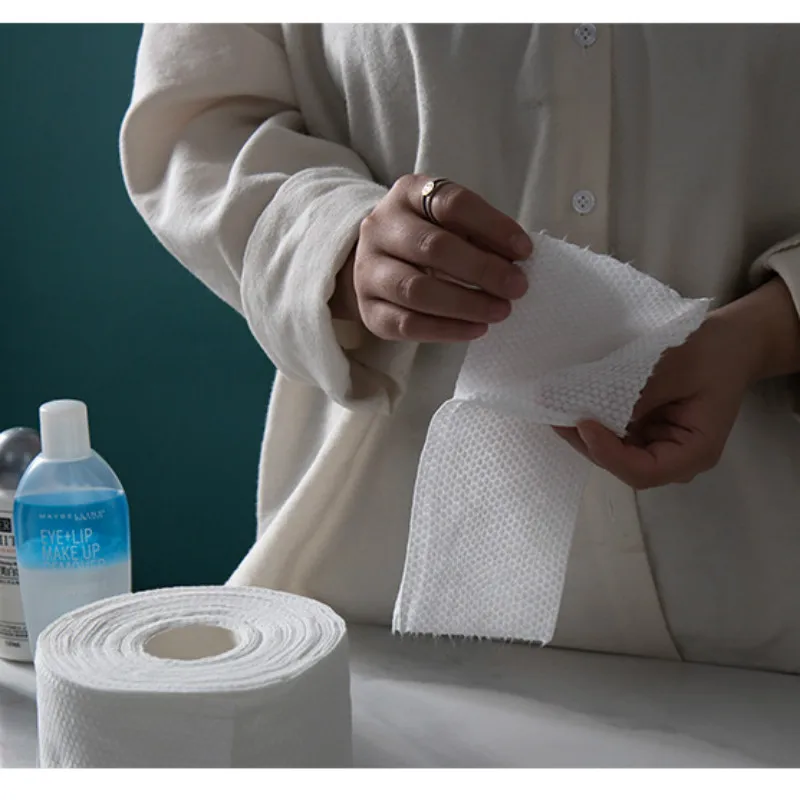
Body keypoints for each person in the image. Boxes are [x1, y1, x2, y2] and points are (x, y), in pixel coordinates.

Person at [121, 23, 800, 674]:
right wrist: (339, 241)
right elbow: (197, 119)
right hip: (376, 597)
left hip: (756, 601)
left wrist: (766, 332)